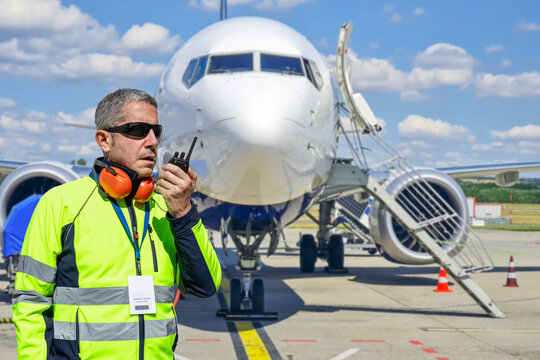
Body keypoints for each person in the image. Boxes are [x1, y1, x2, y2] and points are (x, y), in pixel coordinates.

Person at [12, 88, 222, 359]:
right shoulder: (61, 204)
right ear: (104, 140)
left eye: (156, 131)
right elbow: (30, 302)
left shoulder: (164, 207)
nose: (152, 142)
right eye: (137, 130)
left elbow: (204, 287)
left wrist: (183, 212)